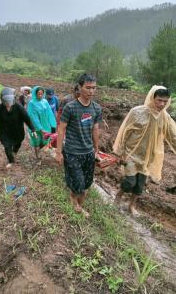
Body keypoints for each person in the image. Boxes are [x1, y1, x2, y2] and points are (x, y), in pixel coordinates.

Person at [113, 86, 176, 216]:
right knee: (130, 182)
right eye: (159, 100)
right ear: (153, 98)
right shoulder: (137, 112)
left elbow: (173, 136)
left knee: (140, 186)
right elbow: (125, 132)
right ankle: (118, 197)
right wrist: (120, 153)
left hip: (148, 157)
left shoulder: (165, 118)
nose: (162, 104)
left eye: (165, 101)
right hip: (131, 153)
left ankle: (131, 206)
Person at [55, 74, 102, 217]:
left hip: (88, 152)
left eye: (94, 88)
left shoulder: (96, 108)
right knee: (79, 183)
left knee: (87, 184)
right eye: (88, 88)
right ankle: (74, 202)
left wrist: (97, 149)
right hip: (72, 151)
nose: (91, 91)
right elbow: (61, 129)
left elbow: (95, 129)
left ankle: (78, 202)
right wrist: (58, 152)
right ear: (80, 87)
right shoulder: (70, 107)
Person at [0, 87, 36, 169]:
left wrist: (32, 129)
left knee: (18, 143)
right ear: (2, 100)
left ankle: (14, 152)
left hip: (17, 131)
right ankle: (11, 161)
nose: (8, 103)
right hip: (5, 132)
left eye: (10, 100)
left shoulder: (19, 107)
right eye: (6, 101)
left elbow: (27, 118)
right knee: (7, 146)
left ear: (13, 99)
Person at [27, 86, 57, 161]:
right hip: (35, 127)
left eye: (41, 94)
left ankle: (38, 151)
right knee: (36, 142)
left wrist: (53, 124)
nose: (40, 96)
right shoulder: (32, 103)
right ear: (35, 94)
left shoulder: (45, 101)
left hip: (46, 126)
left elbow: (50, 113)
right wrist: (40, 128)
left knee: (45, 141)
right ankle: (38, 158)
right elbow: (34, 117)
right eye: (38, 94)